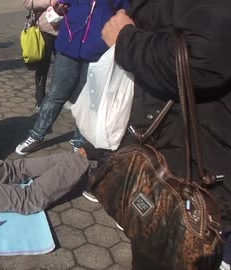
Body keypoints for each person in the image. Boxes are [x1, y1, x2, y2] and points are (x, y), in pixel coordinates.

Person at [83, 0, 231, 269]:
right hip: (167, 153)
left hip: (203, 167)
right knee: (153, 243)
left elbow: (204, 60)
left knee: (193, 248)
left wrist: (126, 40)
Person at [15, 0, 129, 156]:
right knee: (56, 94)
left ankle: (80, 142)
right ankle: (36, 134)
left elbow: (124, 10)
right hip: (69, 44)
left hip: (98, 49)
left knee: (88, 100)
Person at [23, 0, 58, 111]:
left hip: (67, 32)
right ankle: (40, 98)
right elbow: (28, 3)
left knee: (65, 68)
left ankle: (63, 97)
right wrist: (49, 2)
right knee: (42, 68)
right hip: (44, 31)